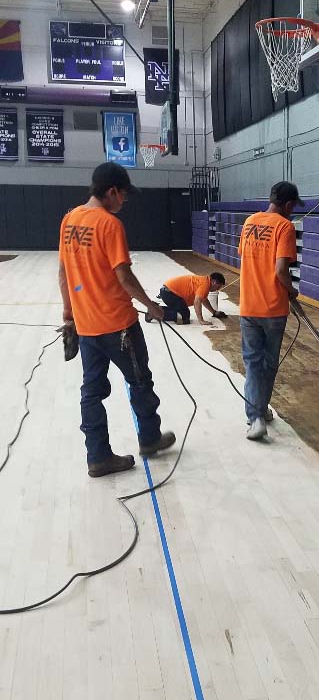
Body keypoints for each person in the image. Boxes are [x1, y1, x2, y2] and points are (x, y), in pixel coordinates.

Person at [58, 161, 176, 478]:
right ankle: (150, 438)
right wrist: (152, 305)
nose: (124, 202)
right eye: (123, 196)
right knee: (140, 382)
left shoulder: (70, 219)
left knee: (91, 393)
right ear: (112, 192)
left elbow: (64, 272)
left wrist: (69, 315)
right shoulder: (109, 225)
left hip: (86, 327)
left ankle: (98, 457)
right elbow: (123, 275)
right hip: (120, 326)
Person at [238, 180, 301, 441]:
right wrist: (293, 291)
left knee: (253, 363)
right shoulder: (285, 227)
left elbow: (246, 257)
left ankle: (256, 417)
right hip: (273, 309)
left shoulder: (249, 221)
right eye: (293, 206)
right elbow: (279, 271)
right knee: (269, 364)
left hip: (248, 306)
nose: (293, 211)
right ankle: (259, 412)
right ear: (287, 205)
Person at [147, 272, 226, 325]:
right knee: (183, 317)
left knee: (181, 312)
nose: (217, 289)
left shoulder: (205, 281)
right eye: (218, 287)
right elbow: (197, 302)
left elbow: (204, 300)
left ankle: (155, 308)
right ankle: (153, 312)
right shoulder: (205, 285)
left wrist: (214, 312)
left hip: (168, 291)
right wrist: (201, 320)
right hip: (170, 293)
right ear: (214, 282)